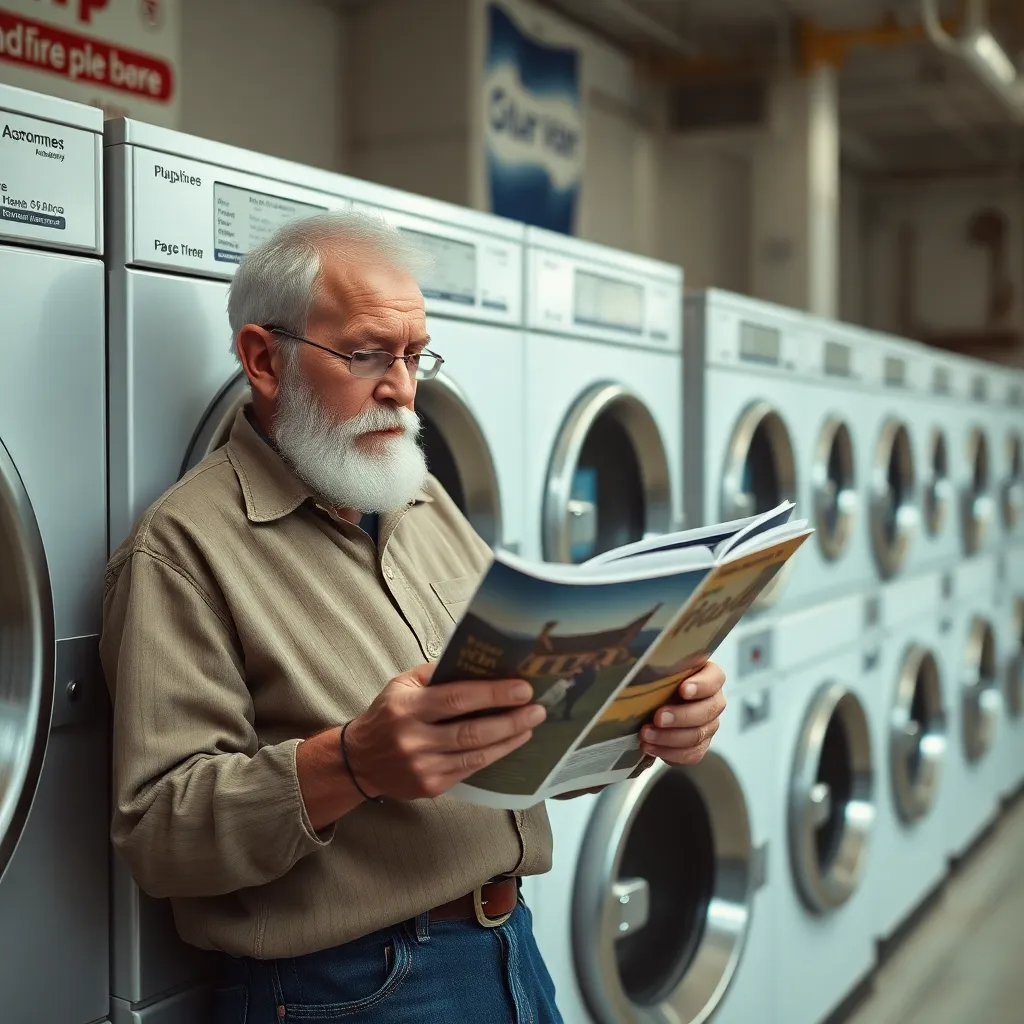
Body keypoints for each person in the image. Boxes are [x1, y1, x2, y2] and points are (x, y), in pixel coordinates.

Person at [100, 211, 728, 1024]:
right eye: (367, 355)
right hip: (350, 989)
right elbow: (158, 830)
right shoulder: (182, 549)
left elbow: (515, 731)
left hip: (510, 949)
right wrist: (352, 763)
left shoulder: (420, 496)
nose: (400, 385)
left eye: (413, 354)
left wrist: (642, 719)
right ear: (263, 358)